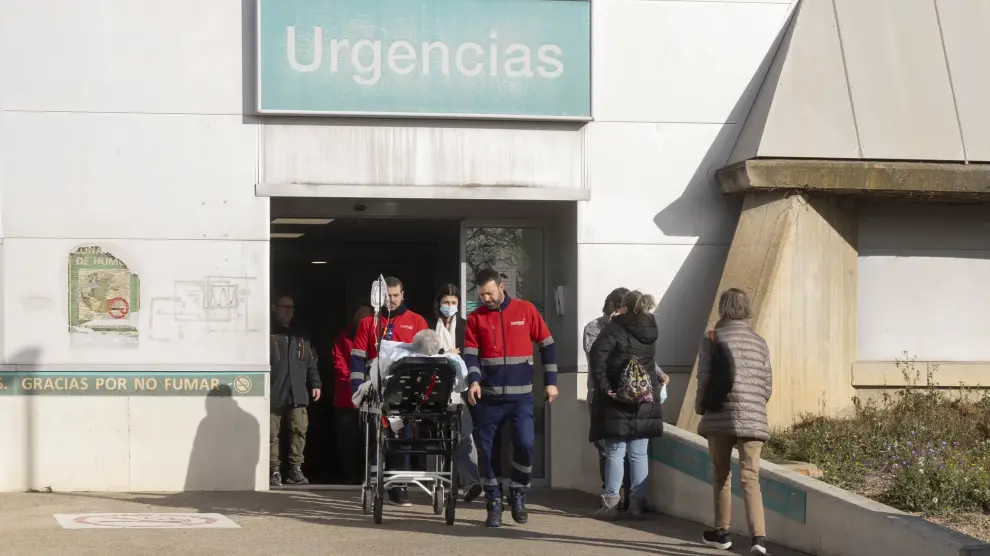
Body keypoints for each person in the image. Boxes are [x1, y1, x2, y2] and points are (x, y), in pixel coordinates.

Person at [463, 268, 558, 528]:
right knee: (488, 452)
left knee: (526, 444)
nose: (486, 299)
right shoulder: (475, 318)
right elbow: (470, 355)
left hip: (521, 399)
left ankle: (518, 493)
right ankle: (493, 502)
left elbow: (547, 345)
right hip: (488, 400)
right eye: (482, 295)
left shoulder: (525, 310)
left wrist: (551, 383)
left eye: (490, 293)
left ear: (501, 286)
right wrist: (473, 380)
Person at [696, 288, 772, 555]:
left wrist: (700, 406)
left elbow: (704, 378)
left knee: (721, 475)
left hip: (720, 416)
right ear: (746, 308)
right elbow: (767, 386)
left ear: (723, 307)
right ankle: (758, 539)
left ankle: (722, 532)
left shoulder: (713, 338)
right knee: (751, 478)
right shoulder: (759, 342)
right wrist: (754, 406)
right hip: (753, 418)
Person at [349, 276, 428, 506]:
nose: (392, 300)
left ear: (403, 294)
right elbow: (357, 360)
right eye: (387, 296)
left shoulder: (416, 322)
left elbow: (426, 358)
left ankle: (399, 487)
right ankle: (375, 483)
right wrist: (357, 391)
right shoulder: (368, 324)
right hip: (376, 392)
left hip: (406, 392)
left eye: (395, 295)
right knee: (377, 438)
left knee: (402, 438)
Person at [588, 290, 665, 520]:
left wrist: (605, 387)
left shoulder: (614, 328)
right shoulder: (651, 330)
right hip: (644, 397)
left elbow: (597, 358)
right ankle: (637, 504)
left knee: (615, 451)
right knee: (639, 454)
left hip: (618, 399)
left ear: (624, 307)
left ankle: (611, 503)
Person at [428, 284, 483, 503]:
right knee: (433, 437)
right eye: (446, 302)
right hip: (432, 387)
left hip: (458, 388)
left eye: (453, 303)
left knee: (464, 434)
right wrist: (444, 354)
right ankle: (435, 484)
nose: (449, 306)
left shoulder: (465, 325)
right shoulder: (429, 325)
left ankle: (471, 483)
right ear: (438, 303)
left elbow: (473, 353)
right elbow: (421, 350)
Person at [583, 287, 631, 504]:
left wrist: (658, 373)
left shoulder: (631, 328)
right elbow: (598, 357)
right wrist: (613, 328)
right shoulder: (594, 327)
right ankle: (610, 495)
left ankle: (629, 497)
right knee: (604, 444)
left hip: (628, 393)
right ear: (613, 307)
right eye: (624, 309)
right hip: (600, 392)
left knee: (628, 447)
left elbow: (638, 355)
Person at [269, 294, 322, 487]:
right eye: (284, 307)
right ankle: (273, 471)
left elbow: (311, 361)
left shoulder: (301, 334)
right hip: (274, 391)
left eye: (291, 307)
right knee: (271, 433)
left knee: (300, 429)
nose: (288, 311)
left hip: (298, 392)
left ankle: (295, 470)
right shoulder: (268, 332)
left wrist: (316, 383)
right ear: (274, 308)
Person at [331, 303, 374, 485]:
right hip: (346, 399)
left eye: (367, 318)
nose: (363, 321)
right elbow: (339, 362)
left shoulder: (375, 337)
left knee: (370, 438)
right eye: (360, 317)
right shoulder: (344, 338)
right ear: (356, 319)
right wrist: (355, 382)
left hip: (371, 399)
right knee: (349, 441)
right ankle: (350, 476)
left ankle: (369, 474)